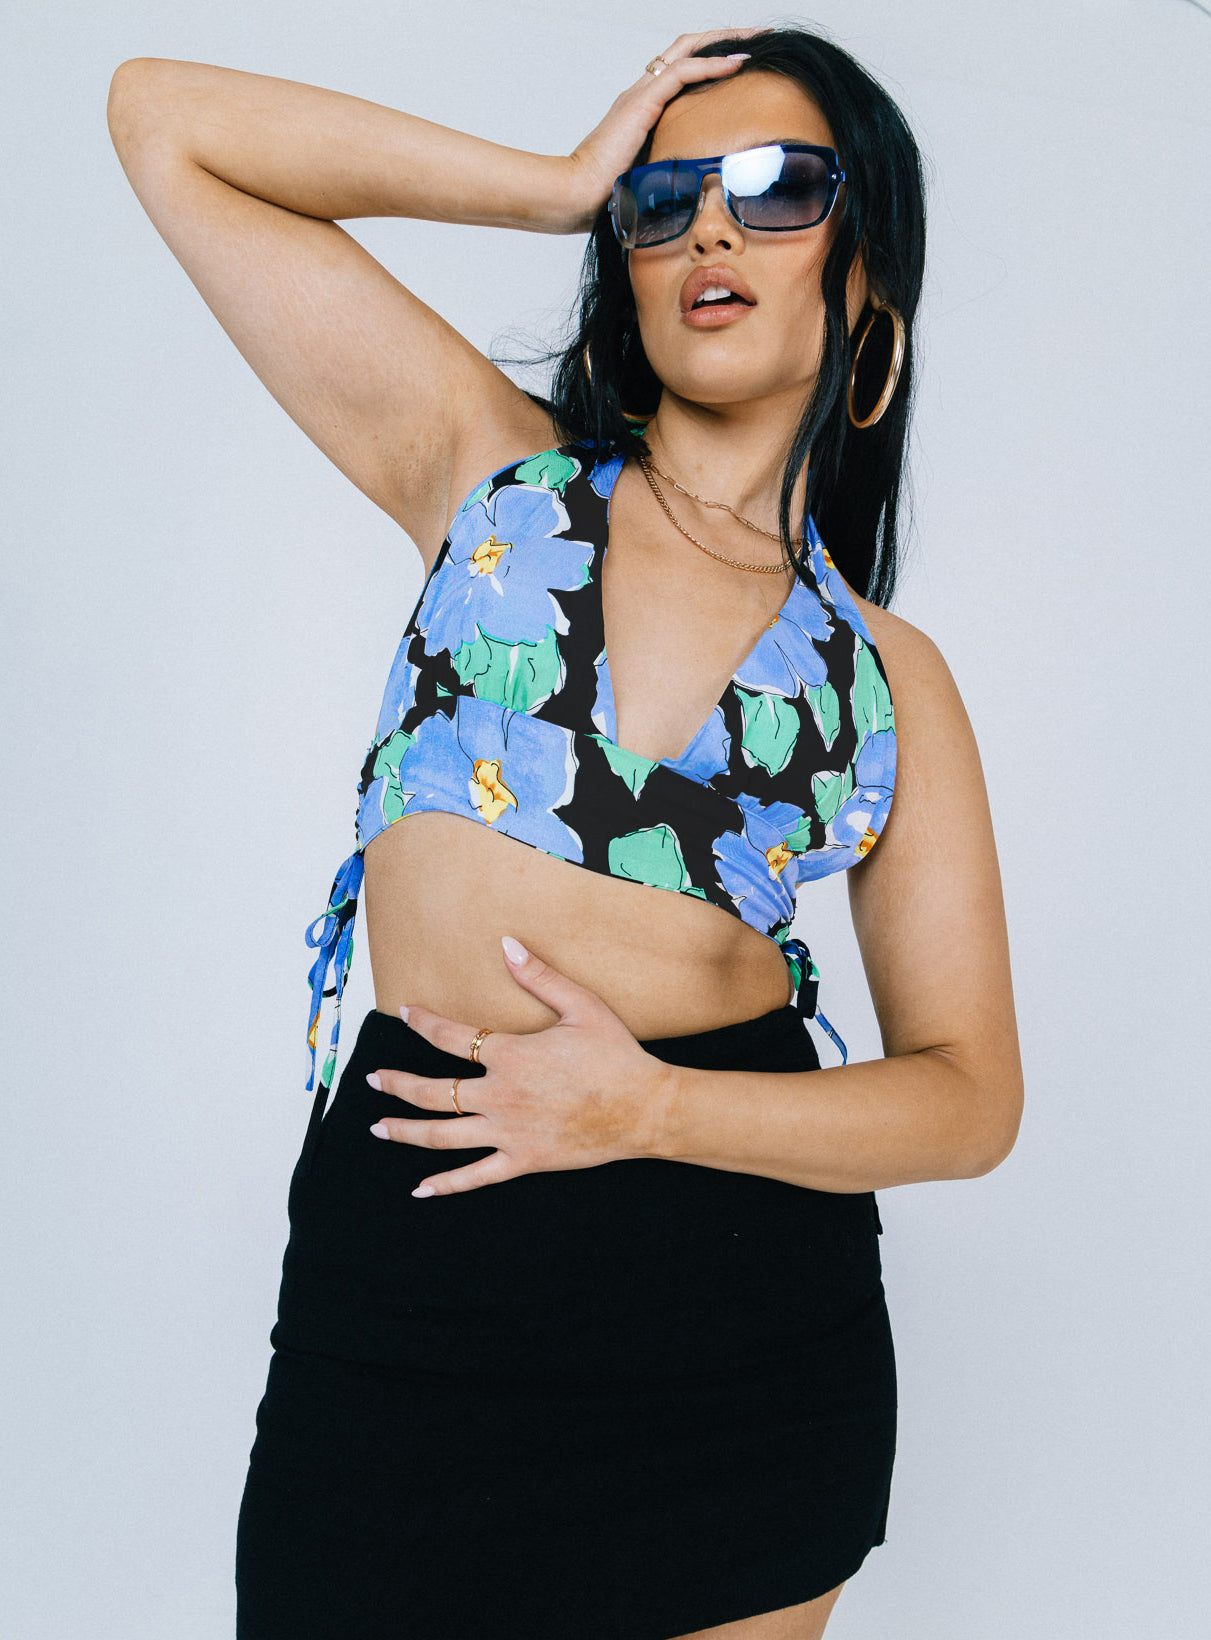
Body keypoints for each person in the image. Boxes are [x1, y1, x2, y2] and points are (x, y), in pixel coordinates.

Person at [107, 24, 1023, 1640]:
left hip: (731, 1326)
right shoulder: (493, 472)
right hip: (411, 1266)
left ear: (867, 281)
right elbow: (162, 117)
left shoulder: (887, 674)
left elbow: (968, 1100)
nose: (711, 225)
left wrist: (646, 1106)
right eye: (667, 200)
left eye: (777, 188)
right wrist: (555, 184)